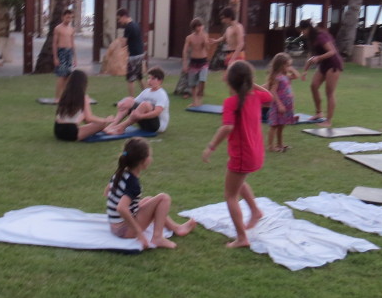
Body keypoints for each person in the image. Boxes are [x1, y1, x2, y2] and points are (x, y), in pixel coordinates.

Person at [201, 60, 272, 248]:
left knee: (230, 195)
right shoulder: (255, 96)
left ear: (230, 80)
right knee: (238, 182)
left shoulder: (231, 102)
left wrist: (210, 147)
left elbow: (227, 127)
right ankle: (255, 211)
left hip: (243, 155)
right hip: (255, 153)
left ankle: (242, 238)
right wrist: (250, 82)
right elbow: (269, 96)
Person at [105, 137, 196, 250]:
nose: (151, 159)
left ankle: (176, 228)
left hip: (115, 226)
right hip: (124, 230)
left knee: (148, 200)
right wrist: (139, 233)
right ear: (143, 161)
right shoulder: (132, 183)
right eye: (149, 156)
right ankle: (157, 238)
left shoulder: (120, 172)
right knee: (164, 198)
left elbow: (107, 192)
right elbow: (121, 208)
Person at [299, 19, 343, 127]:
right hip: (324, 64)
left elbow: (332, 51)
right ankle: (319, 113)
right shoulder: (311, 38)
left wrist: (319, 58)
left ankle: (328, 121)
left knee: (329, 93)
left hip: (333, 64)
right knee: (314, 86)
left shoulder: (320, 36)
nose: (302, 33)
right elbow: (311, 56)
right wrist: (305, 71)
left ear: (308, 28)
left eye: (303, 31)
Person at [105, 67, 170, 135]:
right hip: (145, 123)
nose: (149, 81)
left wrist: (141, 116)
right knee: (128, 100)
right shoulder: (146, 91)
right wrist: (122, 103)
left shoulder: (161, 94)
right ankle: (112, 125)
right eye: (148, 78)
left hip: (157, 126)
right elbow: (132, 102)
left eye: (153, 79)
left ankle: (120, 128)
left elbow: (156, 112)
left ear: (160, 81)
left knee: (145, 104)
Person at [54, 70, 114, 142]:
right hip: (71, 132)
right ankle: (105, 127)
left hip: (58, 130)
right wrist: (106, 120)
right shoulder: (83, 97)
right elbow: (89, 118)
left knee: (83, 114)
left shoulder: (65, 95)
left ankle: (102, 127)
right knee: (102, 124)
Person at [265, 52, 302, 153]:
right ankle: (270, 146)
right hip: (279, 105)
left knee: (282, 125)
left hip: (286, 105)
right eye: (288, 65)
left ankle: (280, 144)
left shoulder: (286, 76)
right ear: (281, 65)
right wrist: (279, 104)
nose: (289, 67)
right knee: (274, 126)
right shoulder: (277, 77)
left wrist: (291, 69)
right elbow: (273, 91)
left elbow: (297, 76)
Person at [181, 17, 211, 107]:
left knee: (202, 80)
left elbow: (208, 48)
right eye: (197, 26)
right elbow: (185, 51)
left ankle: (200, 101)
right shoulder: (189, 38)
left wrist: (205, 40)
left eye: (200, 26)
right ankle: (194, 102)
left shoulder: (205, 35)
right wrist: (184, 64)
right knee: (193, 83)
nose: (199, 28)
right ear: (194, 27)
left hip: (203, 61)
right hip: (193, 62)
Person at [117, 8, 146, 96]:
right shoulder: (136, 25)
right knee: (139, 76)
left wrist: (120, 40)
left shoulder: (128, 27)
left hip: (133, 55)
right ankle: (147, 95)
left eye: (119, 19)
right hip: (140, 53)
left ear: (124, 16)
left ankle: (131, 99)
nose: (119, 21)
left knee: (130, 79)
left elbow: (123, 44)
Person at [52, 8, 76, 102]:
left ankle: (65, 96)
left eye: (70, 17)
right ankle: (57, 97)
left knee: (68, 76)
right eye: (67, 17)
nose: (69, 19)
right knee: (61, 75)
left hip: (69, 52)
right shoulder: (58, 28)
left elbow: (73, 43)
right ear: (63, 17)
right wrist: (55, 57)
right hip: (61, 52)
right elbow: (54, 43)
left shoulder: (71, 29)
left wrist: (75, 58)